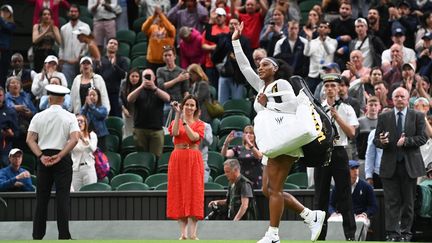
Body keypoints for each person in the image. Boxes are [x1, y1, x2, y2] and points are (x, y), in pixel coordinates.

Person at [232, 22, 325, 243]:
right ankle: (309, 215)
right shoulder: (261, 88)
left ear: (275, 68)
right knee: (267, 189)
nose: (260, 67)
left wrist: (267, 105)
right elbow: (245, 68)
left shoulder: (281, 84)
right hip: (273, 141)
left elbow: (292, 109)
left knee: (274, 188)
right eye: (260, 65)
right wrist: (236, 41)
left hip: (286, 141)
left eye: (265, 64)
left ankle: (273, 235)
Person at [374, 87, 428, 242]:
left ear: (407, 99)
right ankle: (392, 233)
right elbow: (376, 140)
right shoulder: (384, 116)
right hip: (390, 166)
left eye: (402, 96)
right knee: (391, 202)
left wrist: (407, 141)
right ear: (392, 99)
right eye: (396, 96)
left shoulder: (417, 115)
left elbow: (422, 138)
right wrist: (382, 141)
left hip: (410, 166)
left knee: (408, 203)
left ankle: (405, 233)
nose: (399, 99)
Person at [26, 84, 80, 240]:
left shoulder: (38, 116)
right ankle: (64, 235)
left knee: (41, 198)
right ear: (63, 99)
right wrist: (61, 155)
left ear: (49, 98)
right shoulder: (69, 116)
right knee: (63, 198)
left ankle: (37, 235)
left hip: (43, 158)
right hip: (61, 160)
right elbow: (75, 139)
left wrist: (41, 156)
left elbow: (30, 139)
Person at [315, 73, 359, 241]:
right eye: (327, 86)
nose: (330, 89)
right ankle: (320, 234)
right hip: (322, 152)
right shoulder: (318, 108)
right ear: (324, 89)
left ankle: (350, 234)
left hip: (340, 151)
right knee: (320, 195)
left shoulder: (347, 108)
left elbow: (352, 133)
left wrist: (337, 117)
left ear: (339, 88)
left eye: (333, 86)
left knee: (344, 193)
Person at [167, 95, 205, 240]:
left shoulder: (200, 123)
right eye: (187, 105)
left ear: (196, 108)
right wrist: (177, 115)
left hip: (193, 158)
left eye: (192, 105)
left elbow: (194, 137)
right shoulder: (175, 120)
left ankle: (193, 233)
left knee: (194, 192)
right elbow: (175, 133)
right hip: (178, 158)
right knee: (179, 191)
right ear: (182, 106)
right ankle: (183, 234)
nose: (189, 107)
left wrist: (184, 121)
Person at [328, 160, 378, 241]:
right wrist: (333, 213)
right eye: (352, 168)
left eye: (357, 168)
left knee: (361, 222)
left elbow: (373, 206)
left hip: (359, 216)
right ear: (346, 171)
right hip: (341, 216)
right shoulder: (338, 186)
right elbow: (330, 204)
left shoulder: (366, 186)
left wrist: (365, 214)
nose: (355, 171)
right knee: (331, 220)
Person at [127, 69, 170, 158]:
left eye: (149, 76)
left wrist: (154, 88)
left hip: (156, 130)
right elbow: (129, 99)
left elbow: (167, 98)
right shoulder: (138, 90)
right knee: (141, 156)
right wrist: (141, 86)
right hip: (140, 129)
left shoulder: (158, 90)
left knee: (156, 156)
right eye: (145, 76)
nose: (147, 79)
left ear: (154, 78)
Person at [95, 37, 128, 117]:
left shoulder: (122, 60)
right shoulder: (101, 60)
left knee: (116, 116)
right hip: (102, 93)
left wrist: (115, 65)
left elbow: (123, 75)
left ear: (117, 48)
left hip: (115, 94)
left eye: (115, 44)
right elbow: (95, 74)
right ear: (106, 45)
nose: (112, 45)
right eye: (111, 43)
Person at [58, 4, 90, 87]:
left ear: (79, 13)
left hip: (81, 62)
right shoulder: (63, 28)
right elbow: (61, 45)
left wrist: (80, 56)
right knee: (67, 86)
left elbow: (87, 44)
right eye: (71, 11)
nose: (73, 13)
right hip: (67, 63)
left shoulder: (85, 27)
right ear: (68, 13)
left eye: (75, 11)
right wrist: (61, 59)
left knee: (81, 86)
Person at [141, 6, 176, 73]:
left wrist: (161, 14)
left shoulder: (171, 28)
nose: (159, 18)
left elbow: (170, 29)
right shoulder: (152, 27)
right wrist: (153, 16)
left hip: (165, 61)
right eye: (159, 16)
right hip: (151, 61)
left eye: (162, 16)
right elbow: (144, 28)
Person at [71, 114, 97, 191]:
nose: (79, 123)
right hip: (76, 169)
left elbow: (92, 149)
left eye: (81, 121)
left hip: (88, 167)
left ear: (85, 123)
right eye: (77, 121)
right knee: (76, 194)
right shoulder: (71, 137)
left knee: (91, 192)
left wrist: (83, 139)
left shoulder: (91, 135)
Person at [31, 8, 61, 72]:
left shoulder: (54, 28)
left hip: (51, 52)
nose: (47, 16)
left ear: (51, 17)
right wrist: (46, 31)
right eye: (44, 14)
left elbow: (59, 42)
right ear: (41, 16)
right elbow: (34, 40)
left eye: (48, 14)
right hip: (39, 52)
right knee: (39, 73)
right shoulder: (37, 26)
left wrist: (52, 29)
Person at [80, 88, 109, 152]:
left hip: (100, 135)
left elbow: (99, 115)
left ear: (98, 96)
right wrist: (86, 105)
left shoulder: (103, 108)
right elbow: (81, 116)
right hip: (88, 134)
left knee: (100, 154)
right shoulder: (85, 108)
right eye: (90, 95)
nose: (91, 97)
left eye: (94, 95)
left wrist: (91, 105)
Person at [0, 87, 19, 168]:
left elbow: (17, 133)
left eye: (0, 95)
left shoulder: (10, 112)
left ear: (4, 96)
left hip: (4, 149)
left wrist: (10, 134)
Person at [120, 68, 140, 139]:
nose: (134, 78)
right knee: (127, 132)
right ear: (129, 76)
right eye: (132, 76)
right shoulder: (124, 83)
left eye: (136, 76)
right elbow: (120, 98)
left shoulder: (141, 85)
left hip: (139, 112)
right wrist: (123, 108)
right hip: (127, 110)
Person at [0, 4, 16, 88]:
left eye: (7, 11)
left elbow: (6, 26)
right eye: (3, 10)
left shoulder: (12, 25)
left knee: (2, 73)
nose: (4, 13)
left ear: (10, 14)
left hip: (5, 51)